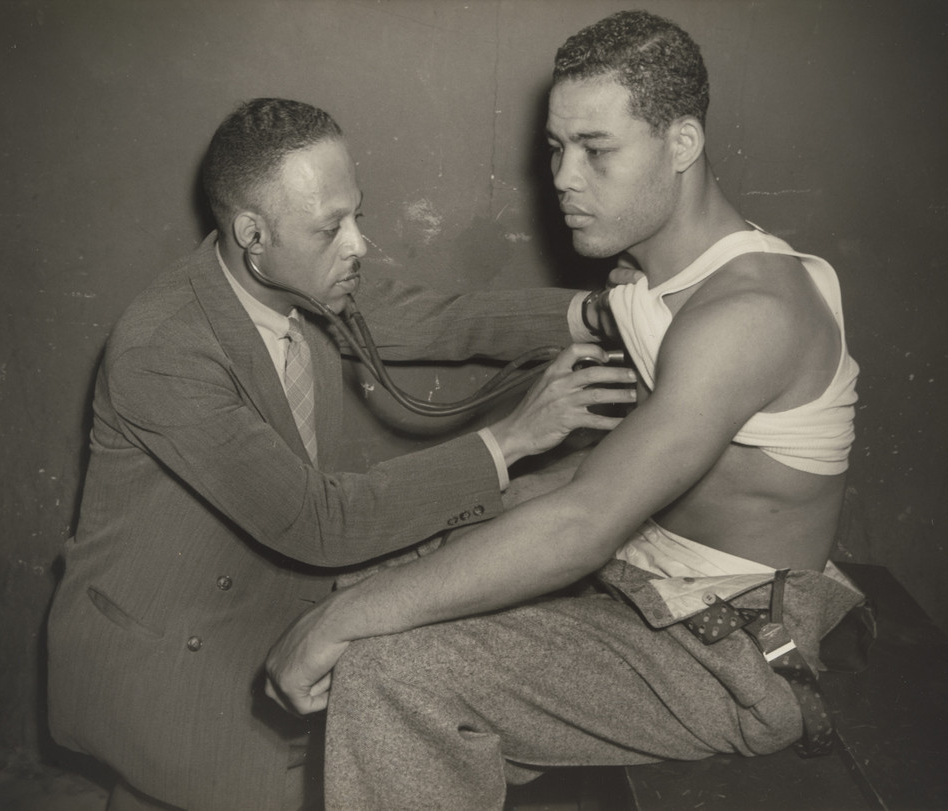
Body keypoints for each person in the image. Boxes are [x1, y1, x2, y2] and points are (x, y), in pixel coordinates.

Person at [265, 10, 867, 810]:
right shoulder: (656, 284)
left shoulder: (747, 314)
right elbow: (604, 472)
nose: (564, 177)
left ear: (682, 143)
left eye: (596, 149)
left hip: (729, 655)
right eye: (556, 147)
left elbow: (585, 519)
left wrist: (342, 620)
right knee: (374, 569)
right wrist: (411, 553)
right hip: (641, 585)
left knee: (390, 669)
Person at [45, 98, 637, 811]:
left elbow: (440, 319)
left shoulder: (297, 281)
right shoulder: (164, 348)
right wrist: (511, 438)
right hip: (167, 650)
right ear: (252, 234)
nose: (359, 244)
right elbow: (318, 521)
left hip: (260, 597)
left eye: (358, 214)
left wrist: (597, 313)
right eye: (331, 228)